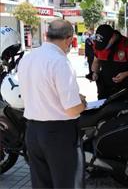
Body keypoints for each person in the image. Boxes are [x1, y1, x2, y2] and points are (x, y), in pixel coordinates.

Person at [18, 20, 86, 189]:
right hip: (59, 134)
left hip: (33, 131)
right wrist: (82, 103)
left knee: (41, 184)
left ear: (46, 35)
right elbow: (71, 109)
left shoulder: (28, 58)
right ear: (69, 39)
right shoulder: (60, 61)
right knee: (68, 184)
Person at [91, 24, 128, 99]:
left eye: (105, 45)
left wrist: (126, 74)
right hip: (104, 91)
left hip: (125, 92)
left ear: (112, 37)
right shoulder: (98, 44)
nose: (103, 49)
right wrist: (94, 73)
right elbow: (96, 61)